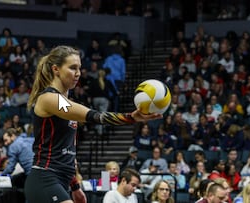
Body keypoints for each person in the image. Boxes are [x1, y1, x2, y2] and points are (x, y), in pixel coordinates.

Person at [24, 46, 161, 203]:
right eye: (72, 68)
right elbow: (93, 116)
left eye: (79, 68)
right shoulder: (50, 98)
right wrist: (131, 118)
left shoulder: (64, 103)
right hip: (44, 178)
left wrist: (75, 187)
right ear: (56, 69)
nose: (78, 73)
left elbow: (69, 152)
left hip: (61, 181)